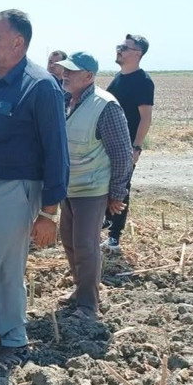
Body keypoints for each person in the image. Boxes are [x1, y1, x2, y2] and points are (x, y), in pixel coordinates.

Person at [0, 9, 69, 365]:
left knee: (7, 266)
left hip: (14, 190)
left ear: (18, 42)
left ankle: (13, 338)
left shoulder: (40, 86)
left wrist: (49, 212)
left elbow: (56, 150)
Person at [58, 53, 133, 320]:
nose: (65, 75)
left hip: (92, 188)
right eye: (65, 70)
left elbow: (122, 153)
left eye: (72, 71)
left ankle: (88, 306)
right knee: (69, 240)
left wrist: (117, 193)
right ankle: (81, 290)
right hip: (69, 186)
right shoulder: (66, 100)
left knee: (85, 245)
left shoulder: (105, 106)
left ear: (88, 76)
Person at [103, 34, 155, 252]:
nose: (119, 50)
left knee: (121, 189)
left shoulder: (143, 81)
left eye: (124, 47)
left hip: (125, 147)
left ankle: (114, 236)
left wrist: (136, 147)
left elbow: (145, 118)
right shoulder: (118, 78)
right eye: (120, 46)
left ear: (137, 53)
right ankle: (104, 223)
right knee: (105, 185)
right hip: (107, 145)